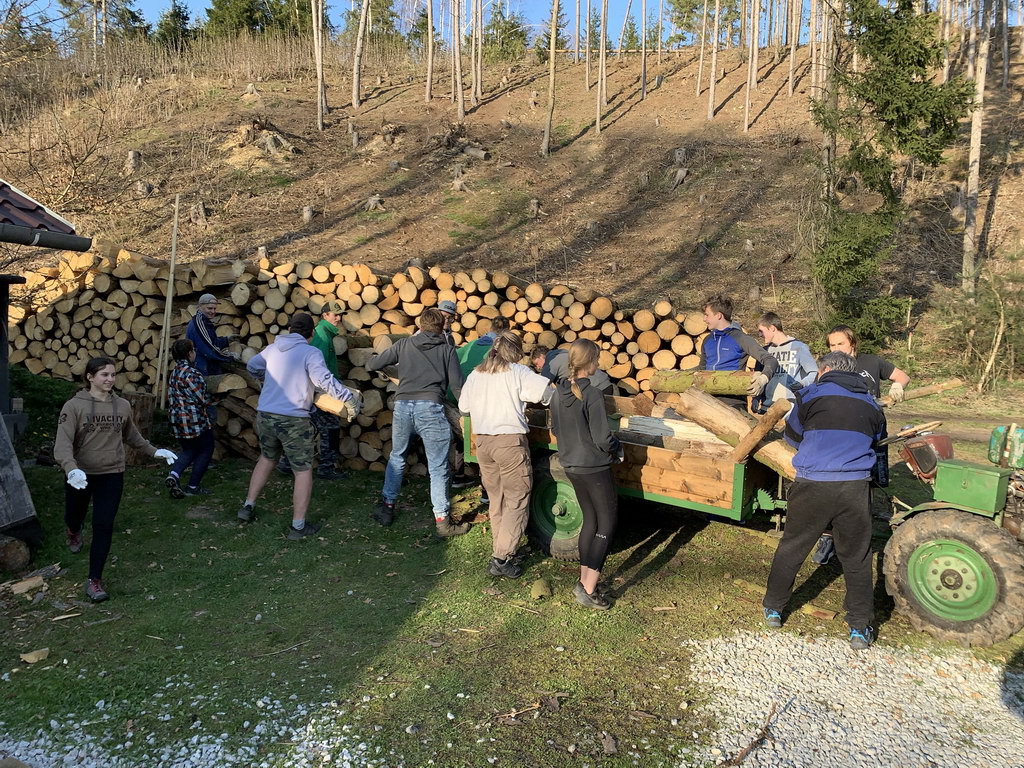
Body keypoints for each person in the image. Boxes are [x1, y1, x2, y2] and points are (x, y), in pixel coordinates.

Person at [762, 351, 885, 650]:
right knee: (857, 557)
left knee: (793, 545)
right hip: (855, 486)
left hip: (814, 483)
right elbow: (877, 442)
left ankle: (774, 608)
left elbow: (793, 438)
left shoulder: (808, 395)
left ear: (825, 370)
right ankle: (859, 627)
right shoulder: (872, 403)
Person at [54, 357, 178, 602]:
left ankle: (94, 580)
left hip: (112, 473)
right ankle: (73, 529)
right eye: (104, 375)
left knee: (103, 525)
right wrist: (71, 469)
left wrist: (154, 451)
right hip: (80, 474)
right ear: (90, 377)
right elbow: (62, 443)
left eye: (113, 374)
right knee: (74, 514)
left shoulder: (121, 405)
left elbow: (132, 435)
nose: (110, 379)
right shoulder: (74, 406)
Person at [238, 313, 360, 538]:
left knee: (266, 458)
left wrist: (264, 379)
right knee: (302, 471)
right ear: (311, 333)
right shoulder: (310, 352)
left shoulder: (272, 349)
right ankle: (298, 526)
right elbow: (323, 380)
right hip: (293, 419)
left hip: (265, 415)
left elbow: (253, 366)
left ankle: (248, 506)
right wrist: (347, 397)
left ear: (290, 329)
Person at [458, 331, 553, 578]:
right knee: (517, 498)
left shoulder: (476, 374)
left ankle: (500, 548)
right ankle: (502, 557)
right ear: (516, 351)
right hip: (509, 442)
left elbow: (463, 407)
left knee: (497, 498)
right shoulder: (518, 372)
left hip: (484, 442)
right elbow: (546, 394)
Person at [813, 325, 911, 563]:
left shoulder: (872, 362)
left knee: (867, 484)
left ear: (853, 343)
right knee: (834, 484)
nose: (836, 349)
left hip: (872, 433)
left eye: (841, 344)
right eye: (832, 345)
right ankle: (828, 536)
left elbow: (902, 376)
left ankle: (856, 534)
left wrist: (898, 386)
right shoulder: (828, 366)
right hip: (840, 434)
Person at [367, 308, 467, 537]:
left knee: (397, 456)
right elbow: (457, 387)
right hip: (431, 408)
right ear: (442, 328)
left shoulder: (404, 345)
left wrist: (389, 369)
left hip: (403, 407)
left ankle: (387, 508)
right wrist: (467, 413)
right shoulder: (447, 350)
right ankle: (442, 522)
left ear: (420, 326)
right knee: (438, 466)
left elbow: (373, 365)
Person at [549, 339, 623, 610]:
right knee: (606, 524)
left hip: (571, 465)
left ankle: (584, 581)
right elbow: (603, 438)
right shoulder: (591, 393)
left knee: (590, 521)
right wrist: (617, 447)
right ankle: (589, 589)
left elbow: (555, 430)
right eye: (597, 359)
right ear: (590, 361)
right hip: (594, 466)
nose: (598, 363)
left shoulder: (557, 393)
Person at [278, 301, 346, 480]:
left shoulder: (325, 333)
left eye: (340, 315)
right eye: (335, 314)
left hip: (315, 390)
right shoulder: (322, 335)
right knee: (330, 427)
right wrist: (326, 392)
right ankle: (326, 467)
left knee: (308, 427)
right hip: (320, 391)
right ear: (325, 315)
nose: (339, 318)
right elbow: (317, 369)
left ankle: (286, 463)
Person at [698, 294, 778, 410]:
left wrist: (762, 380)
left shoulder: (740, 338)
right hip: (707, 400)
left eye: (707, 315)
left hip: (733, 403)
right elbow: (701, 369)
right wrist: (678, 373)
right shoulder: (707, 340)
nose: (704, 319)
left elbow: (770, 360)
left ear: (719, 315)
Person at [165, 339, 215, 498]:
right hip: (193, 420)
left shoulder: (174, 372)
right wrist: (218, 398)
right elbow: (202, 398)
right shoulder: (192, 373)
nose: (195, 352)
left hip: (176, 420)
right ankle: (193, 486)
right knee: (206, 448)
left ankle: (174, 474)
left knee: (189, 450)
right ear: (189, 354)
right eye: (193, 350)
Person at [754, 312, 818, 413]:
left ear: (772, 328)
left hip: (791, 407)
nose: (760, 335)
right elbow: (758, 376)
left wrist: (802, 384)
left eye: (761, 331)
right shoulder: (764, 351)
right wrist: (756, 398)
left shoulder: (799, 347)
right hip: (767, 407)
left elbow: (814, 372)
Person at [530, 344, 613, 395]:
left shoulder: (551, 362)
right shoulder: (563, 354)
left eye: (537, 363)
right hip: (604, 384)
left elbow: (541, 385)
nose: (538, 367)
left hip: (596, 389)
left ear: (542, 356)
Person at [186, 294, 236, 376]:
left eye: (214, 308)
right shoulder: (199, 324)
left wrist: (227, 340)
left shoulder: (205, 321)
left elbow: (212, 341)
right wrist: (229, 357)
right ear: (200, 306)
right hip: (202, 367)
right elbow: (208, 349)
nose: (213, 311)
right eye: (209, 308)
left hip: (208, 365)